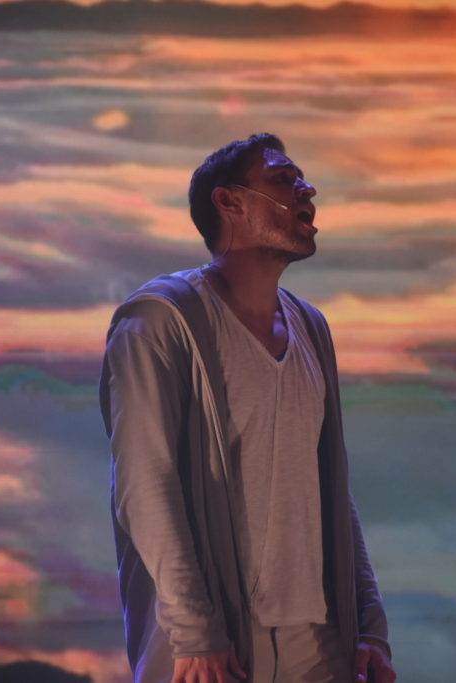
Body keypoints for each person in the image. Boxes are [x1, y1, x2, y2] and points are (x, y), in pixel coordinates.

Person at [99, 133, 396, 683]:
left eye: (301, 178)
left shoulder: (310, 325)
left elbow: (329, 486)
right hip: (211, 644)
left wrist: (368, 623)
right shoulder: (160, 319)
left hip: (320, 641)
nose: (307, 189)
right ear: (229, 201)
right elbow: (145, 482)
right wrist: (194, 631)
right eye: (283, 178)